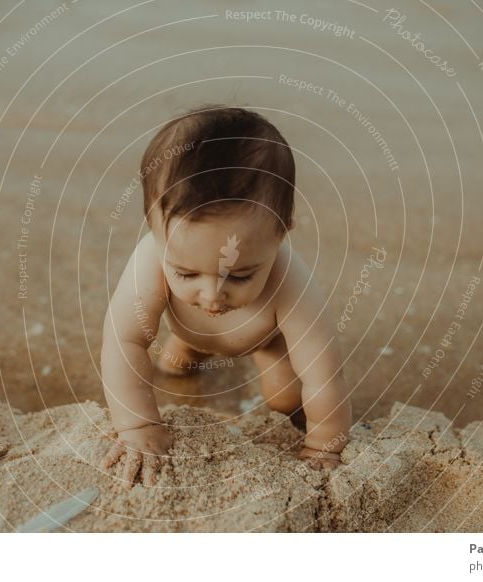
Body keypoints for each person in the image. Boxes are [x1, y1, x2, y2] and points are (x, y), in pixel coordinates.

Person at [100, 105, 351, 488]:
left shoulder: (292, 284)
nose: (212, 294)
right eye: (185, 273)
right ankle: (189, 348)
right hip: (188, 329)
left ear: (283, 231)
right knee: (172, 363)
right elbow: (125, 340)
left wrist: (323, 446)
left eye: (240, 274)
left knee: (285, 399)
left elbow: (324, 375)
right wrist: (138, 424)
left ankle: (217, 357)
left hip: (266, 338)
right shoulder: (150, 259)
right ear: (154, 230)